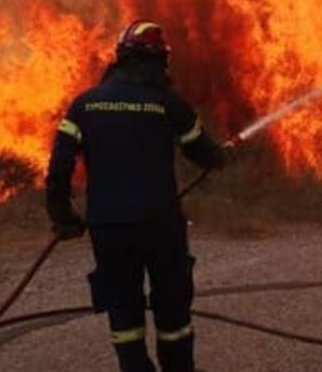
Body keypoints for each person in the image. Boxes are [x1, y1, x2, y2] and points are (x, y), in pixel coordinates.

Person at [46, 20, 228, 372]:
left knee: (124, 312)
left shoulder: (85, 105)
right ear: (160, 61)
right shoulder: (168, 103)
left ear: (120, 58)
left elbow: (59, 166)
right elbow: (204, 154)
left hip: (109, 227)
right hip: (160, 226)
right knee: (172, 308)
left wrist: (63, 217)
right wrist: (220, 155)